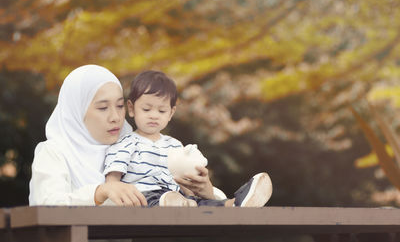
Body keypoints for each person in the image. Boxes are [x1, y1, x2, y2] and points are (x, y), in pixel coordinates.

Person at [103, 70, 273, 207]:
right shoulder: (126, 142)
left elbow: (184, 181)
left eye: (161, 111)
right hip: (141, 197)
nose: (154, 116)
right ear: (131, 109)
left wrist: (194, 193)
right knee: (154, 198)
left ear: (171, 113)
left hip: (178, 197)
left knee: (200, 202)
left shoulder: (175, 145)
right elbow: (113, 182)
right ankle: (171, 203)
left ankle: (234, 204)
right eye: (147, 109)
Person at [29, 64, 148, 206]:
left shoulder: (134, 148)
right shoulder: (54, 152)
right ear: (77, 111)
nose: (115, 117)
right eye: (103, 108)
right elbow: (47, 204)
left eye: (120, 106)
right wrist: (99, 192)